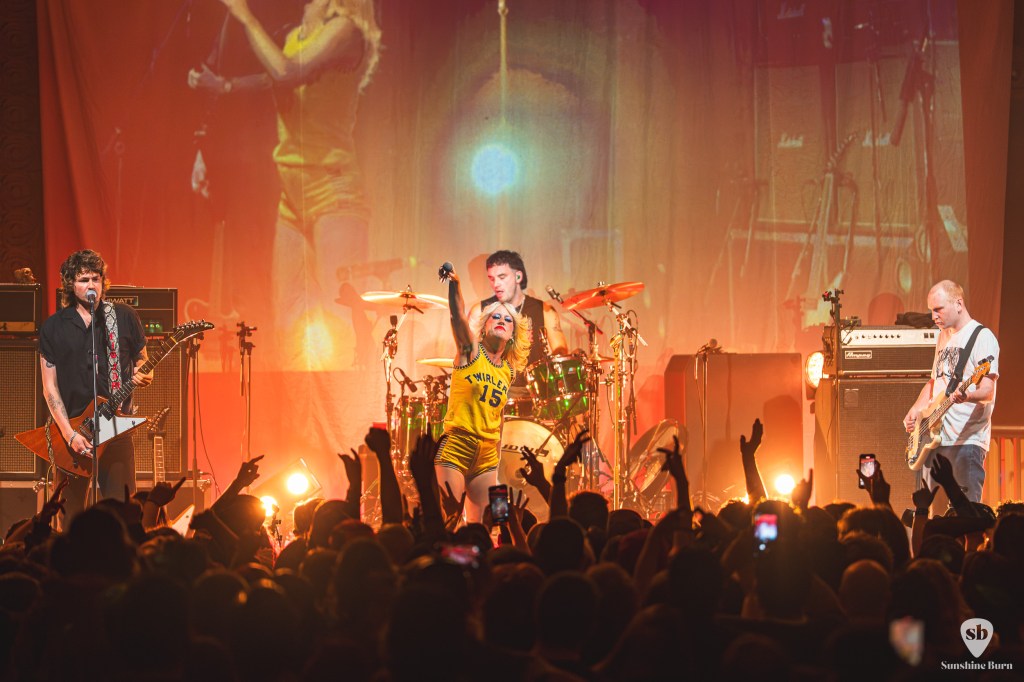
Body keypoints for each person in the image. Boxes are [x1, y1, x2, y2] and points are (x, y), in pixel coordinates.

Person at [188, 0, 382, 370]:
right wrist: (224, 85)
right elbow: (270, 78)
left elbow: (286, 72)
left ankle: (342, 420)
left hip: (333, 190)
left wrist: (245, 15)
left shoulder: (346, 29)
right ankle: (297, 422)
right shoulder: (299, 33)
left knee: (336, 316)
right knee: (288, 318)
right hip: (292, 192)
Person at [39, 249, 153, 516]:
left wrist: (145, 373)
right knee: (70, 516)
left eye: (96, 278)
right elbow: (49, 387)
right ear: (70, 284)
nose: (91, 285)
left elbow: (143, 360)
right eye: (83, 279)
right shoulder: (53, 327)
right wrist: (69, 435)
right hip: (76, 433)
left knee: (124, 514)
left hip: (117, 429)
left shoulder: (123, 317)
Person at [436, 263, 532, 522]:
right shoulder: (471, 351)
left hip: (488, 456)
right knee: (451, 519)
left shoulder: (509, 371)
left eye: (508, 319)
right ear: (484, 325)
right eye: (496, 317)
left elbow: (498, 414)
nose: (501, 321)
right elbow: (457, 317)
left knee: (497, 520)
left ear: (513, 334)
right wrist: (455, 283)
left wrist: (497, 455)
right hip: (457, 445)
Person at [903, 280, 999, 502]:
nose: (934, 316)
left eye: (938, 309)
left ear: (958, 303)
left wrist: (968, 395)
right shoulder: (943, 335)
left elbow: (987, 390)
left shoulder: (982, 337)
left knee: (965, 516)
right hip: (934, 440)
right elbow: (934, 382)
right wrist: (916, 411)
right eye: (931, 311)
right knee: (928, 516)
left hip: (966, 441)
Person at [466, 251, 568, 409]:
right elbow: (467, 354)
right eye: (491, 279)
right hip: (491, 395)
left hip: (534, 396)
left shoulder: (545, 311)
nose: (496, 284)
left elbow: (560, 351)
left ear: (518, 277)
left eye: (502, 277)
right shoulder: (480, 311)